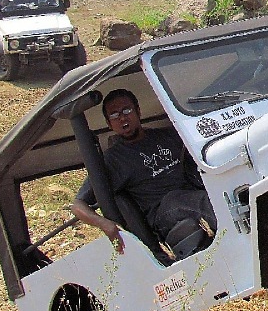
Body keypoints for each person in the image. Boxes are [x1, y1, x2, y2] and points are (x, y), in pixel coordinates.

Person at [71, 89, 216, 255]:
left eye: (127, 110)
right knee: (179, 199)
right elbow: (78, 205)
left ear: (138, 111)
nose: (122, 118)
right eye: (114, 115)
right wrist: (105, 225)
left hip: (192, 193)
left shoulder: (167, 136)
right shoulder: (112, 160)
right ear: (109, 124)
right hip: (163, 211)